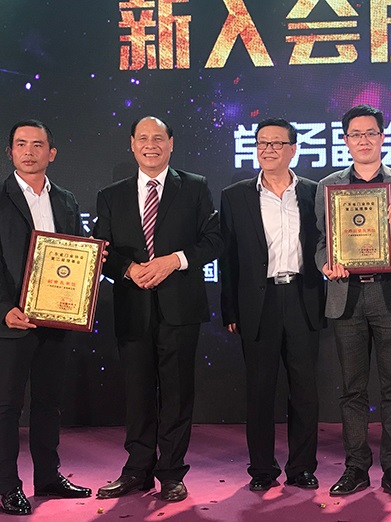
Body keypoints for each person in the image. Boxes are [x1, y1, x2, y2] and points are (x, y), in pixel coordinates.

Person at [93, 116, 222, 502]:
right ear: (132, 144)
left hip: (181, 307)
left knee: (178, 395)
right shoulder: (110, 195)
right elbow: (101, 250)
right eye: (143, 138)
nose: (151, 145)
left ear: (171, 143)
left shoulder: (195, 187)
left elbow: (214, 240)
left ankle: (171, 473)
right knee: (137, 394)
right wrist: (128, 269)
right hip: (133, 308)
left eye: (158, 138)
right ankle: (137, 470)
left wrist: (174, 261)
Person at [315, 104, 391, 498]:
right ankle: (356, 468)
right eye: (355, 134)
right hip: (346, 295)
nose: (363, 140)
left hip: (390, 295)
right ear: (346, 140)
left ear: (382, 138)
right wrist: (325, 263)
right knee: (352, 389)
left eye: (370, 133)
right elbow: (320, 242)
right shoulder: (327, 186)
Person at [220, 118, 325, 492]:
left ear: (293, 149)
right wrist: (230, 310)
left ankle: (302, 468)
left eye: (277, 143)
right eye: (262, 143)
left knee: (305, 391)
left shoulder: (315, 193)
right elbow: (228, 258)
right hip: (257, 302)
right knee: (260, 391)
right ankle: (262, 470)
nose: (268, 150)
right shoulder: (235, 196)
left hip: (302, 297)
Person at [0, 120, 91, 516]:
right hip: (10, 323)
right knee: (6, 408)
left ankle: (48, 476)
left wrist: (91, 260)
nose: (29, 151)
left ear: (51, 153)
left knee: (48, 404)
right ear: (10, 153)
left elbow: (74, 254)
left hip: (55, 320)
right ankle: (7, 485)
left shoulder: (66, 201)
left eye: (38, 145)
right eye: (21, 144)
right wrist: (4, 309)